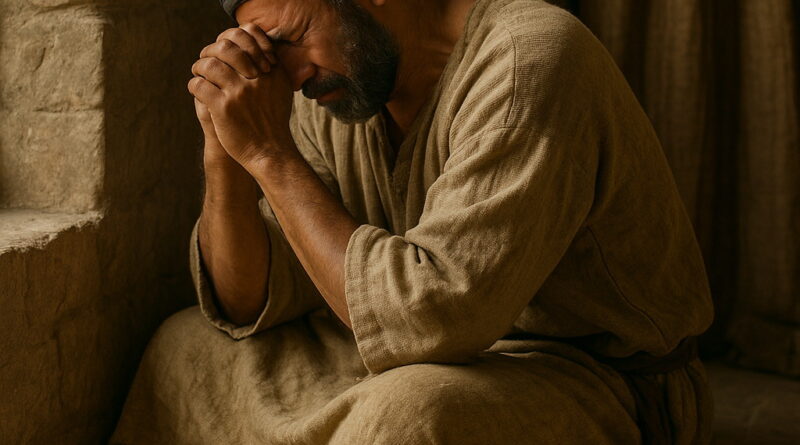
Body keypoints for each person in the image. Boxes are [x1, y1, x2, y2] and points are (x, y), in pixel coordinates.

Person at [111, 0, 715, 443]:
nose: (290, 76)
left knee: (409, 418)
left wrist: (271, 154)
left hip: (593, 378)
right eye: (270, 53)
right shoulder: (338, 89)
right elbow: (247, 299)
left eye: (293, 38)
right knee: (183, 349)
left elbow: (434, 319)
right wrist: (227, 151)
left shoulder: (528, 60)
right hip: (412, 349)